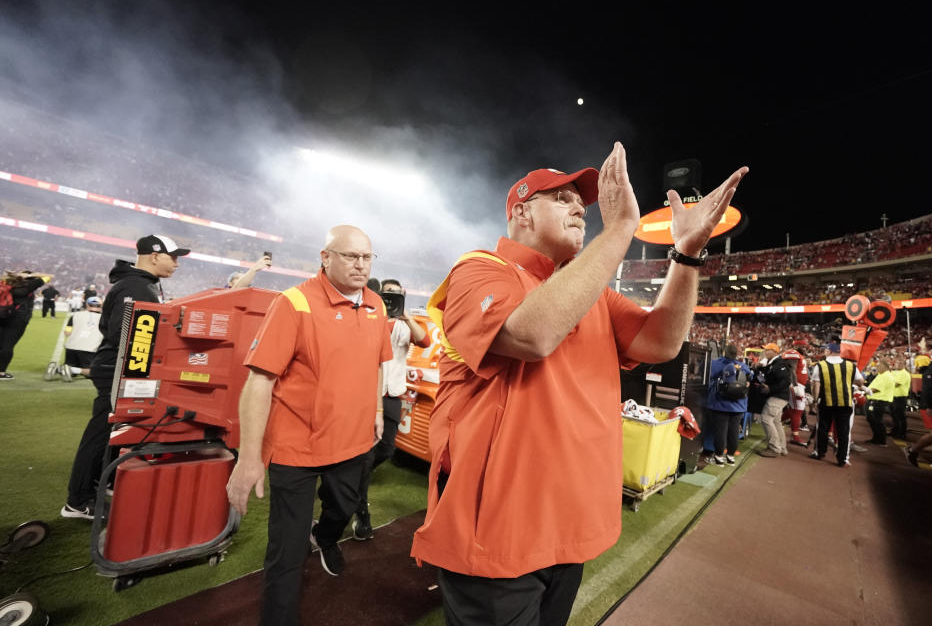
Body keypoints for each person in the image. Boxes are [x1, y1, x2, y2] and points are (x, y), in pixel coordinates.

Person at [410, 143, 748, 625]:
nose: (578, 208)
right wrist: (619, 231)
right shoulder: (479, 269)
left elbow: (661, 343)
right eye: (562, 198)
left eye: (581, 202)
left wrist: (686, 254)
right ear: (522, 212)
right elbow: (531, 335)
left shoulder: (593, 292)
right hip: (498, 532)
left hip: (569, 526)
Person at [225, 225, 392, 626]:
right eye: (350, 256)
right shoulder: (294, 302)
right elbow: (259, 381)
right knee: (286, 551)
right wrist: (249, 459)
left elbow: (375, 365)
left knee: (347, 505)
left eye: (367, 257)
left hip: (353, 444)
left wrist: (376, 412)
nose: (360, 264)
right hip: (295, 448)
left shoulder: (377, 305)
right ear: (325, 256)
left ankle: (327, 537)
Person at [61, 235, 189, 518]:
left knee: (111, 434)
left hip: (119, 368)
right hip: (116, 370)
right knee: (100, 434)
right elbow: (125, 337)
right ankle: (78, 501)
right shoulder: (135, 286)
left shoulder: (139, 284)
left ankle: (99, 483)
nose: (177, 264)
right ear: (154, 256)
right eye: (174, 257)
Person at [353, 278, 430, 539]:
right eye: (388, 294)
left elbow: (426, 341)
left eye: (397, 294)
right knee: (365, 453)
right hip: (365, 395)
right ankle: (362, 513)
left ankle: (354, 477)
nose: (392, 298)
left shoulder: (405, 325)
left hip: (392, 396)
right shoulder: (370, 318)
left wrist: (405, 314)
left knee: (386, 449)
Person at [809, 342, 864, 467]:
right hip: (845, 402)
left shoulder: (821, 365)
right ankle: (842, 458)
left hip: (826, 402)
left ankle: (820, 452)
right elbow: (860, 382)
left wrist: (814, 399)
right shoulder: (850, 365)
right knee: (843, 431)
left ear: (829, 351)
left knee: (823, 428)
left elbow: (816, 385)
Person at [706, 344, 753, 466]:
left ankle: (718, 458)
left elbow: (705, 374)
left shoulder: (716, 363)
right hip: (738, 405)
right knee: (733, 431)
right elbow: (750, 378)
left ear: (723, 352)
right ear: (736, 354)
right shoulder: (743, 366)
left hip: (720, 403)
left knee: (721, 431)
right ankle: (730, 457)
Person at [0, 270, 52, 379]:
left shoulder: (7, 283)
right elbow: (49, 276)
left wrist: (15, 275)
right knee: (8, 345)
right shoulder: (29, 285)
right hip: (18, 318)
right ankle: (1, 372)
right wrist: (30, 275)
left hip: (2, 315)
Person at [757, 342, 795, 458]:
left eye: (767, 350)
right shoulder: (774, 363)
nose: (765, 352)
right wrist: (760, 368)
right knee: (776, 421)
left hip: (778, 396)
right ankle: (782, 447)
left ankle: (774, 448)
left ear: (774, 351)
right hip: (779, 396)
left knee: (766, 418)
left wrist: (770, 388)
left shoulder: (779, 364)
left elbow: (786, 381)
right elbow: (769, 373)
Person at [58, 296, 104, 382]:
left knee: (72, 366)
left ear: (87, 304)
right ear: (101, 305)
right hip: (90, 349)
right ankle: (73, 370)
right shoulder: (105, 318)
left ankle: (59, 369)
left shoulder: (75, 315)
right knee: (95, 372)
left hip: (71, 347)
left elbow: (67, 333)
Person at [864, 359, 896, 445]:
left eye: (879, 365)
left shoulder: (886, 376)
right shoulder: (882, 375)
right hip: (876, 400)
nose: (877, 367)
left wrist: (863, 391)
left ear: (885, 366)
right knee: (873, 420)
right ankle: (876, 438)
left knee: (877, 420)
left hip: (878, 401)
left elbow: (876, 389)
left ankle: (881, 440)